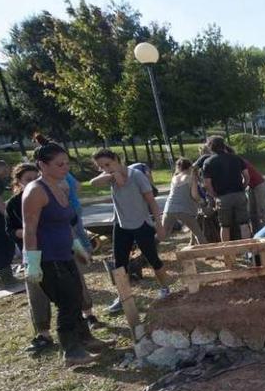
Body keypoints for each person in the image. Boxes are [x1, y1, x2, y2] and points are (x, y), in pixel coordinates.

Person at [22, 141, 109, 365]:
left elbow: (67, 224)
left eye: (67, 163)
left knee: (77, 296)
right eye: (59, 164)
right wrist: (32, 263)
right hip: (48, 258)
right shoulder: (35, 192)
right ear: (42, 165)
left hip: (65, 254)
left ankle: (84, 339)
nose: (65, 168)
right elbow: (29, 230)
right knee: (67, 303)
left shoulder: (60, 187)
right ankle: (70, 351)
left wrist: (78, 247)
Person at [90, 149, 172, 312]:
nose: (105, 168)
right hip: (121, 225)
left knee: (153, 259)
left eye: (108, 164)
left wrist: (159, 225)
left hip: (141, 224)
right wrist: (110, 175)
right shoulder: (109, 176)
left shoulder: (136, 176)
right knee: (119, 265)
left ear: (116, 159)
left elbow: (152, 202)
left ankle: (166, 289)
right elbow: (93, 183)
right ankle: (122, 296)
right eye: (101, 167)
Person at [201, 136, 252, 242]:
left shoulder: (208, 162)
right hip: (239, 193)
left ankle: (228, 255)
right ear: (223, 145)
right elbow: (247, 176)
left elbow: (207, 184)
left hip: (222, 196)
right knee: (244, 224)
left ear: (211, 148)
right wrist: (243, 187)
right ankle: (249, 252)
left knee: (224, 226)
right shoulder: (236, 158)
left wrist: (214, 195)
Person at [161, 158, 207, 245]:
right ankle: (209, 254)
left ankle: (147, 248)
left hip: (169, 208)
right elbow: (195, 195)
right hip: (184, 210)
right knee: (199, 234)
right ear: (189, 167)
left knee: (163, 234)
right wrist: (202, 202)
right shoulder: (191, 178)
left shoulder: (174, 178)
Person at [242, 158, 265, 232]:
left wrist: (242, 188)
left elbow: (246, 177)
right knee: (252, 212)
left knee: (262, 210)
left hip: (259, 184)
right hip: (251, 186)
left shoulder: (239, 161)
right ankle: (256, 231)